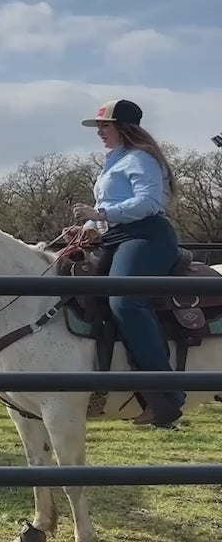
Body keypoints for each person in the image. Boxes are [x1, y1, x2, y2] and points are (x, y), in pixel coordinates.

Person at [70, 99, 184, 428]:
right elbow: (103, 205)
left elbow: (148, 202)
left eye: (105, 126)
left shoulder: (141, 158)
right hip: (116, 236)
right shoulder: (114, 161)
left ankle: (166, 396)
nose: (100, 133)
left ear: (123, 127)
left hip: (146, 236)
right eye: (100, 127)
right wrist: (86, 229)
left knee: (125, 302)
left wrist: (101, 216)